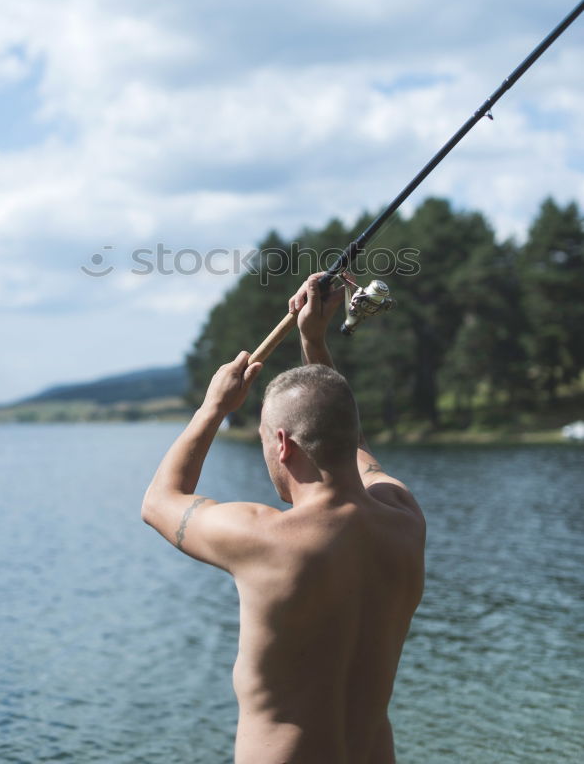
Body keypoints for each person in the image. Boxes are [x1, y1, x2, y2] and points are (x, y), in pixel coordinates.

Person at [142, 273, 426, 764]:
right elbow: (350, 441)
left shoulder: (264, 538)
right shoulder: (404, 519)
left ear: (282, 444)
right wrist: (313, 340)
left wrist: (214, 407)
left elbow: (160, 501)